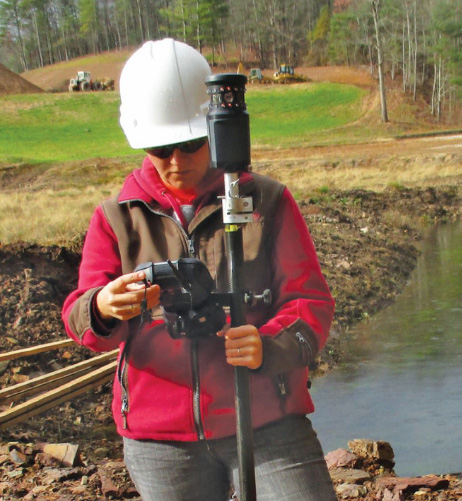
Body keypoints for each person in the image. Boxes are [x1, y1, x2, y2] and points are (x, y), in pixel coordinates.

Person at [62, 38, 337, 501]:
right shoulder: (114, 217)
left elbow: (311, 303)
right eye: (159, 147)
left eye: (189, 144)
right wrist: (103, 306)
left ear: (213, 129)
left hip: (267, 421)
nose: (175, 161)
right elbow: (80, 320)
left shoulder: (266, 201)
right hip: (160, 440)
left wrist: (269, 345)